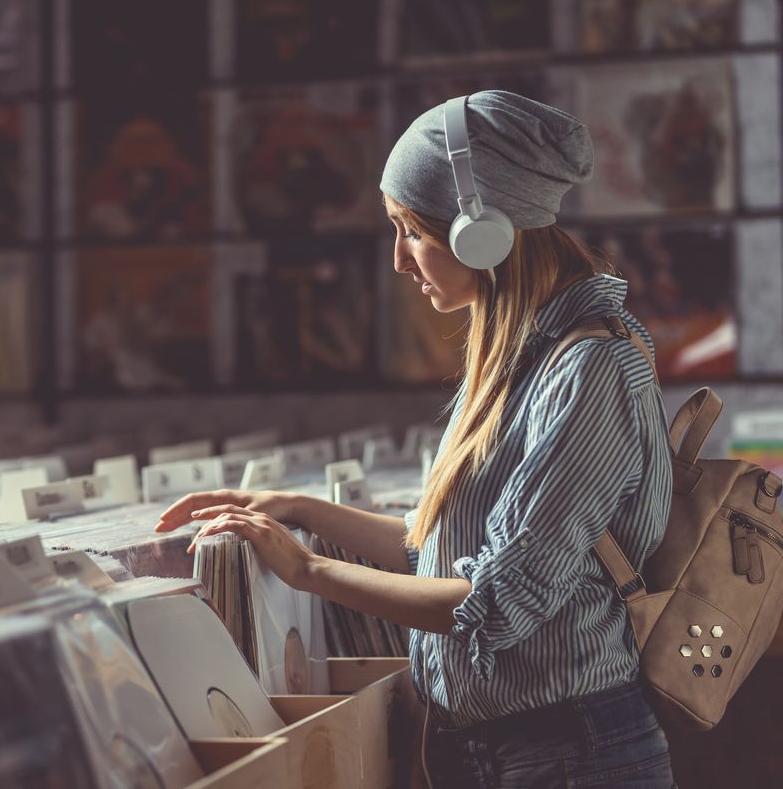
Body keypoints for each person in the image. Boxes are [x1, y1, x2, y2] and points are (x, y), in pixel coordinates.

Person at [156, 91, 676, 788]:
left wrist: (309, 572)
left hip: (573, 753)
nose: (400, 260)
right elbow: (436, 549)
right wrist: (299, 510)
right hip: (510, 752)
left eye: (411, 231)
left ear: (483, 233)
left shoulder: (591, 369)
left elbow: (491, 600)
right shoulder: (518, 358)